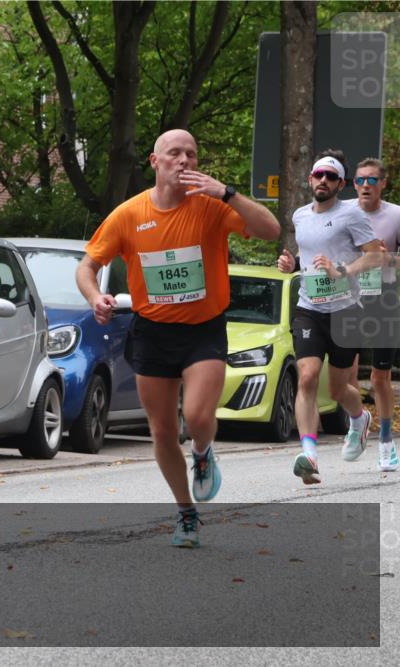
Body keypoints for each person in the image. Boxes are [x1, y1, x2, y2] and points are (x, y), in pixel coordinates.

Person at [77, 129, 280, 548]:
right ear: (156, 162)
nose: (184, 160)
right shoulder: (129, 215)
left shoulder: (212, 206)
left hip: (203, 329)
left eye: (191, 153)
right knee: (163, 431)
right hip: (152, 331)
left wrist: (227, 192)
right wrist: (96, 296)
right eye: (174, 153)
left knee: (200, 416)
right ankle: (186, 512)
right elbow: (87, 266)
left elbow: (270, 230)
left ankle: (203, 453)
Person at [276, 151, 382, 484]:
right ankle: (309, 454)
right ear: (310, 179)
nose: (323, 180)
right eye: (319, 174)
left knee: (338, 389)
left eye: (331, 177)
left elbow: (377, 256)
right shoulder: (300, 216)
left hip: (345, 309)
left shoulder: (351, 215)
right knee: (307, 377)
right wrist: (291, 264)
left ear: (341, 184)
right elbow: (306, 255)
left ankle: (360, 417)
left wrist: (344, 271)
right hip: (309, 308)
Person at [344, 158, 399, 472]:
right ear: (353, 184)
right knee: (345, 373)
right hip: (347, 298)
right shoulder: (343, 213)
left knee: (380, 378)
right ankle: (356, 423)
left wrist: (383, 257)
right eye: (360, 180)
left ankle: (387, 442)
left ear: (383, 184)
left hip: (384, 298)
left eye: (372, 180)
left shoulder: (395, 215)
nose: (365, 185)